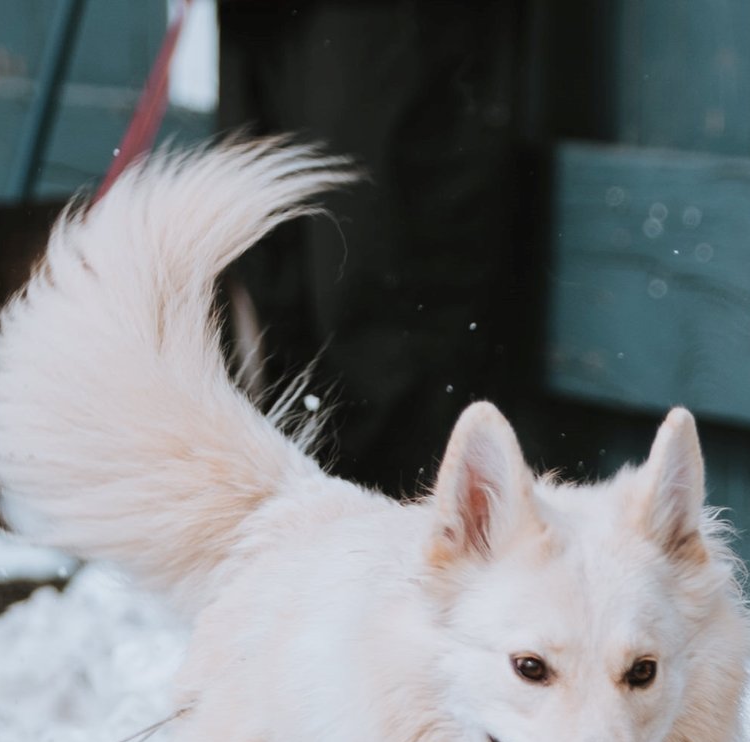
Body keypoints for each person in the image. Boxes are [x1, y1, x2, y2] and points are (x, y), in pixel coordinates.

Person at [217, 0, 535, 497]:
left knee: (381, 306)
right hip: (259, 21)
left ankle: (406, 544)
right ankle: (309, 547)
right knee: (277, 294)